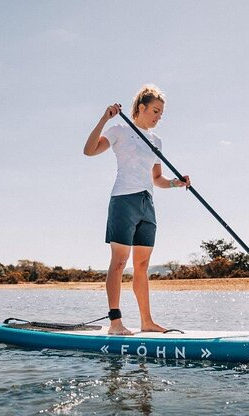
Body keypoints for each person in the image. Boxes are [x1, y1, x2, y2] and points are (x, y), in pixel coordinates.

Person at [83, 85, 190, 335]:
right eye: (155, 110)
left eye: (161, 113)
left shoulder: (156, 141)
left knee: (141, 266)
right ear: (140, 107)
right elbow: (89, 151)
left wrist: (177, 183)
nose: (158, 117)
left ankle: (146, 322)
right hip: (123, 200)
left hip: (147, 204)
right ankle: (115, 322)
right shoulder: (119, 130)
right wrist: (103, 119)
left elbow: (157, 179)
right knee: (119, 262)